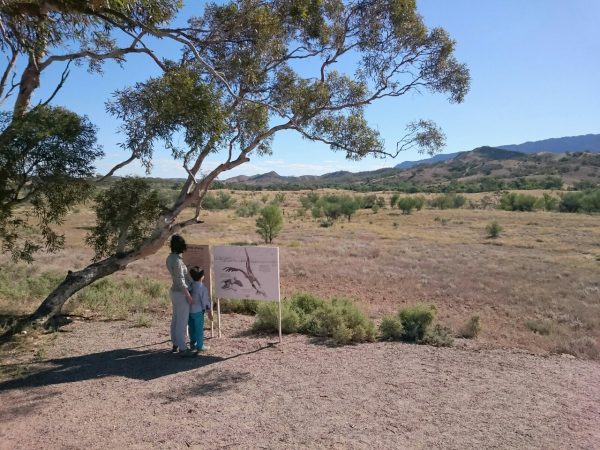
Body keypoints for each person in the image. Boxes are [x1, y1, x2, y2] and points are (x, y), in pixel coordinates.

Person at [166, 234, 194, 357]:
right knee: (182, 321)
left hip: (174, 292)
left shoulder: (170, 258)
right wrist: (187, 294)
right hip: (181, 293)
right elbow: (180, 280)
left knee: (176, 319)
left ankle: (175, 344)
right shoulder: (177, 261)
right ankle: (183, 348)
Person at [188, 266, 213, 352]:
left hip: (189, 311)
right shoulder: (203, 288)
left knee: (191, 328)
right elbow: (205, 301)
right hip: (198, 312)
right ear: (202, 276)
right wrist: (209, 312)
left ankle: (193, 344)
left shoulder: (190, 285)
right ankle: (200, 346)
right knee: (199, 329)